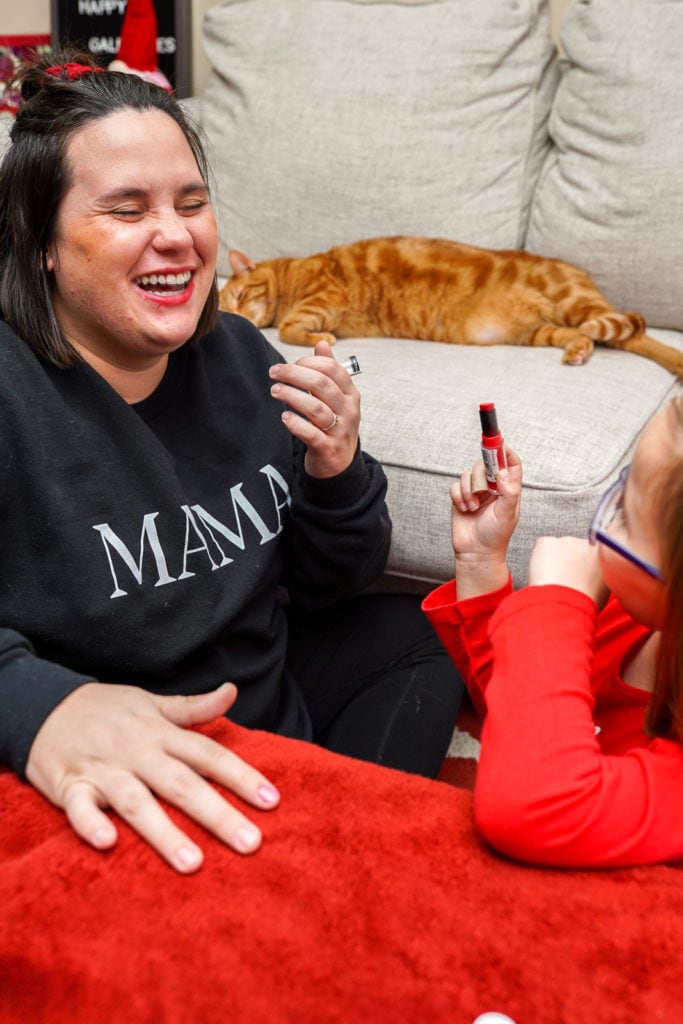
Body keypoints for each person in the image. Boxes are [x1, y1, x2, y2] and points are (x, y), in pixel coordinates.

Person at [0, 52, 464, 874]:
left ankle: (340, 859)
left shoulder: (245, 356)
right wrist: (42, 707)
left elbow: (331, 583)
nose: (175, 234)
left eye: (192, 202)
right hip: (127, 746)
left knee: (411, 631)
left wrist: (337, 471)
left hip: (264, 701)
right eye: (125, 209)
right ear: (39, 243)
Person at [422, 395, 683, 867]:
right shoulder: (630, 615)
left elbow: (532, 803)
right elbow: (524, 715)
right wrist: (481, 565)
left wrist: (556, 608)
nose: (602, 520)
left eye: (623, 512)